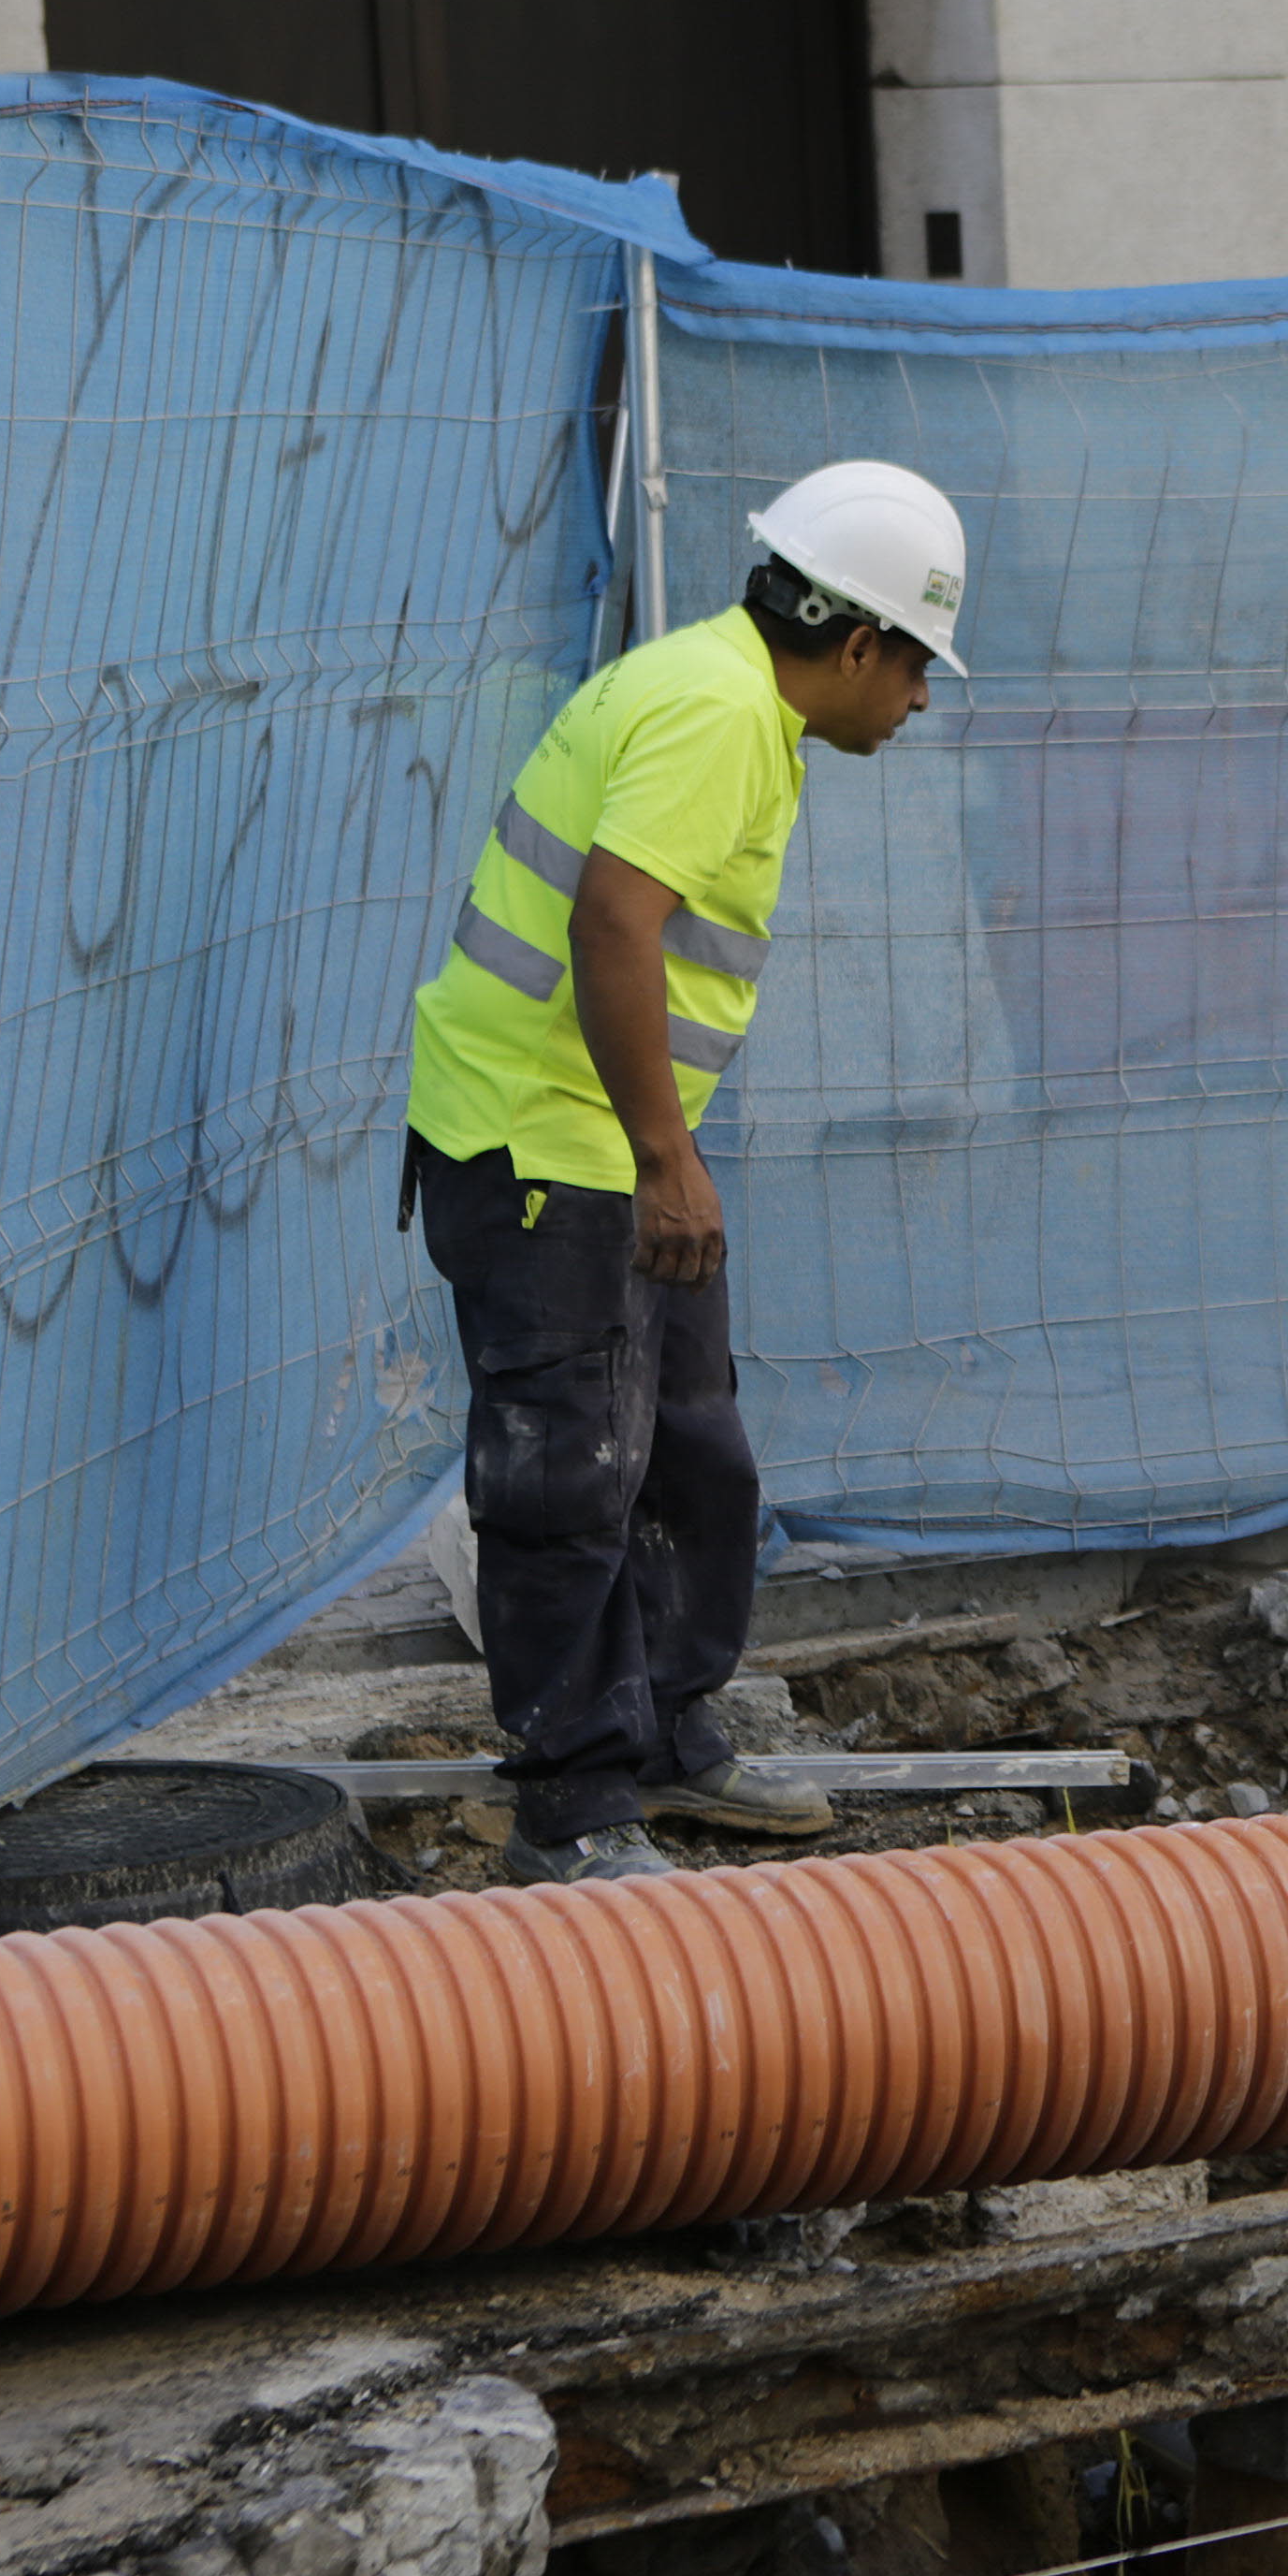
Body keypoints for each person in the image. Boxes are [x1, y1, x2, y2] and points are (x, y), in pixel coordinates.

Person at [398, 460, 970, 1884]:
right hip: (545, 1147)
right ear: (854, 645)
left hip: (599, 1139)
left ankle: (666, 1736)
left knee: (686, 1447)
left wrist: (662, 1151)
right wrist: (664, 1157)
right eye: (915, 665)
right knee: (567, 1474)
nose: (919, 700)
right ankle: (574, 1811)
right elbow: (613, 922)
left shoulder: (722, 695)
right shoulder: (718, 714)